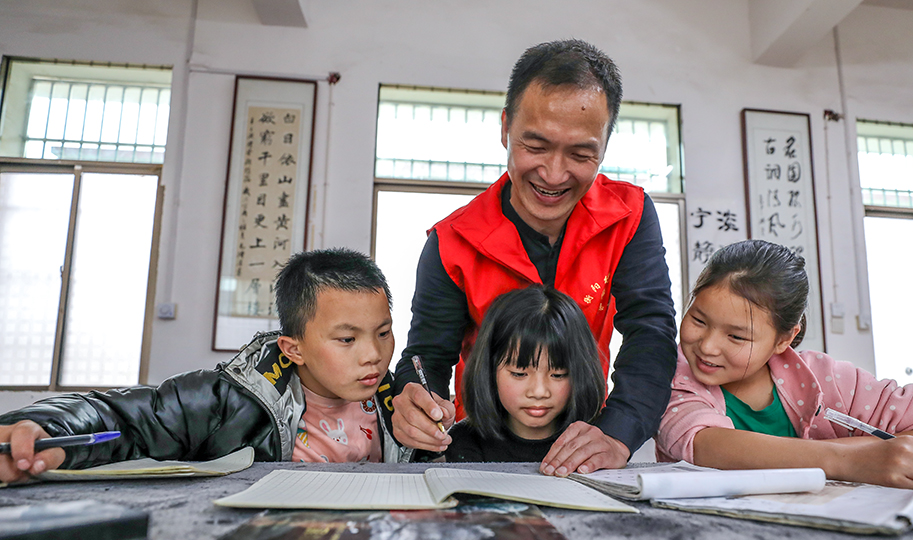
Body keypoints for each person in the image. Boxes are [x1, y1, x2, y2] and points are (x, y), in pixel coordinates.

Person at [392, 39, 677, 477]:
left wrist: (618, 431)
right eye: (536, 146)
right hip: (481, 450)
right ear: (506, 128)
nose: (554, 174)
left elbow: (651, 330)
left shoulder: (629, 216)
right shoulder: (453, 241)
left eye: (581, 154)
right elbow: (428, 356)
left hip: (584, 448)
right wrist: (414, 396)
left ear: (605, 145)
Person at [0, 249, 414, 484]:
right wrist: (42, 427)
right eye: (347, 339)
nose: (373, 355)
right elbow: (125, 417)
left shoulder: (400, 405)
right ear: (294, 349)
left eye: (383, 333)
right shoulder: (227, 401)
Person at [656, 239, 913, 489]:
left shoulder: (826, 380)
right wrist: (854, 459)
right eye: (698, 320)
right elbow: (704, 445)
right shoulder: (671, 373)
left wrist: (884, 456)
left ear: (784, 339)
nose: (707, 346)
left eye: (737, 337)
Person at [443, 285, 605, 464]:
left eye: (558, 375)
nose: (539, 392)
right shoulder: (464, 441)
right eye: (519, 373)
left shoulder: (595, 441)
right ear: (489, 370)